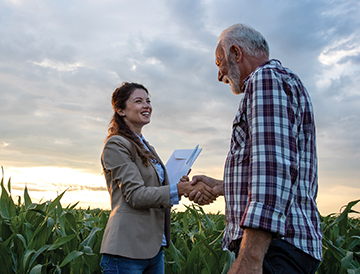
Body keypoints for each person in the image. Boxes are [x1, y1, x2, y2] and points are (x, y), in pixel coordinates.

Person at [189, 24, 322, 273]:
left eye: (220, 62)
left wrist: (250, 258)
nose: (219, 75)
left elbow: (272, 170)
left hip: (274, 248)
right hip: (280, 247)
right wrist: (221, 186)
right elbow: (277, 165)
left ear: (236, 53)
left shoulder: (265, 79)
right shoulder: (280, 81)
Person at [99, 82, 216, 274]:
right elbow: (136, 195)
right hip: (127, 250)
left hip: (154, 250)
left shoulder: (148, 147)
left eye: (148, 101)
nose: (147, 105)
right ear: (120, 110)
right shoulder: (116, 144)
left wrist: (180, 185)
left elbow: (157, 190)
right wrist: (179, 190)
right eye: (138, 101)